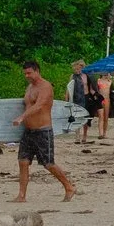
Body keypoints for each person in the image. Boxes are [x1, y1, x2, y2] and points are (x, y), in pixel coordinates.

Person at [16, 61, 76, 203]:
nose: (27, 76)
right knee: (23, 162)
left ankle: (69, 187)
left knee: (48, 164)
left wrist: (22, 117)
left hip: (43, 131)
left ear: (37, 71)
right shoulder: (30, 87)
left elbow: (39, 105)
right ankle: (21, 196)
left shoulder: (46, 87)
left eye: (29, 73)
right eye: (25, 73)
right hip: (28, 131)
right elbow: (26, 104)